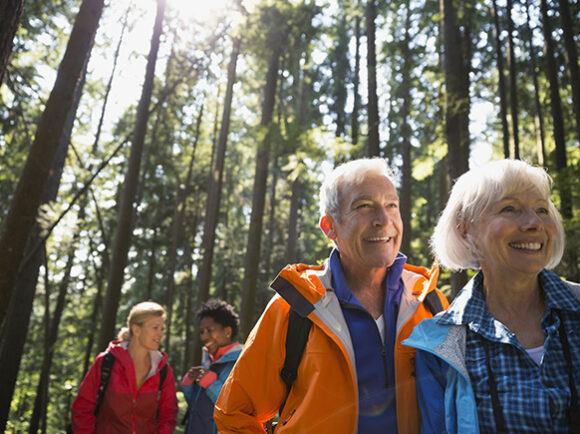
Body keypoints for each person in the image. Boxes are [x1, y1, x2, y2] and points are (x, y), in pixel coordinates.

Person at [214, 158, 449, 433]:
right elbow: (234, 413)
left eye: (391, 205)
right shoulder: (295, 307)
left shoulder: (430, 303)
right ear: (329, 227)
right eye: (363, 206)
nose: (383, 219)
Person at [404, 159, 580, 433]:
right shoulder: (439, 343)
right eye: (509, 209)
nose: (534, 223)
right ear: (466, 231)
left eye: (542, 209)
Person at [71, 301, 178, 433]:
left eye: (162, 329)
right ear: (136, 329)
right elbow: (82, 409)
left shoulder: (163, 369)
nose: (160, 334)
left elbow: (168, 415)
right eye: (155, 328)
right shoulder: (106, 362)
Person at [180, 299, 243, 433]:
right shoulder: (208, 361)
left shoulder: (240, 363)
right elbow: (196, 405)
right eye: (202, 331)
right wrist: (188, 385)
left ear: (227, 331)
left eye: (209, 330)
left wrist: (211, 384)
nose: (204, 336)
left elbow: (233, 407)